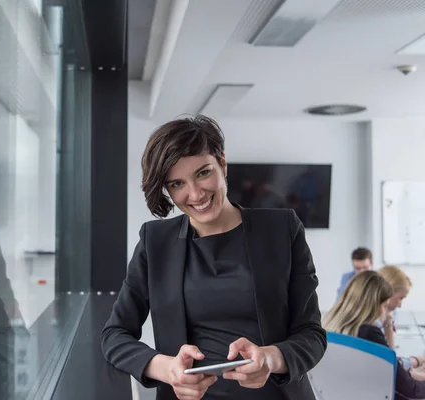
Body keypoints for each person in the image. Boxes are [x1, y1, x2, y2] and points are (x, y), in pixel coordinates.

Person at [100, 115, 326, 400]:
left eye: (203, 173)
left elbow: (312, 335)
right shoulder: (155, 241)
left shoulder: (282, 229)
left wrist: (271, 358)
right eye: (177, 184)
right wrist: (166, 368)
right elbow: (114, 335)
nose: (195, 194)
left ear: (223, 165)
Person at [324, 271, 425, 399]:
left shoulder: (330, 328)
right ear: (373, 304)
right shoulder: (369, 333)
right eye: (383, 305)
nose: (383, 311)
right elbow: (411, 390)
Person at [378, 265, 425, 373]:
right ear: (388, 292)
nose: (399, 305)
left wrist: (388, 320)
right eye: (400, 298)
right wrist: (417, 361)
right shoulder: (371, 326)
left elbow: (390, 357)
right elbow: (391, 366)